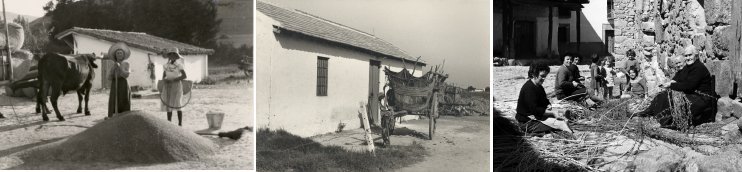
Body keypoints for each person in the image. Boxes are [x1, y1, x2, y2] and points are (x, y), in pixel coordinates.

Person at [635, 45, 718, 130]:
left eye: (690, 55)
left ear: (696, 55)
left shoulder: (699, 68)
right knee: (661, 95)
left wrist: (671, 85)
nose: (688, 58)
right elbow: (679, 78)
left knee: (669, 99)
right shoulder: (688, 67)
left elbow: (688, 86)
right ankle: (650, 112)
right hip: (691, 94)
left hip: (700, 98)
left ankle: (662, 121)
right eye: (686, 56)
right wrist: (671, 82)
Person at [516, 63, 572, 133]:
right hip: (527, 122)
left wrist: (548, 105)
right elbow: (535, 109)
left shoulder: (539, 86)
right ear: (533, 74)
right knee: (559, 124)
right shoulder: (529, 88)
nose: (544, 79)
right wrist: (552, 113)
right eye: (542, 76)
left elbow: (544, 100)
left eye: (545, 76)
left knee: (562, 119)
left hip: (537, 116)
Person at [161, 47, 188, 126]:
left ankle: (180, 124)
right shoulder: (166, 66)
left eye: (174, 54)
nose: (172, 56)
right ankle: (169, 123)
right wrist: (165, 80)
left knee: (178, 104)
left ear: (176, 56)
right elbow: (164, 75)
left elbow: (184, 76)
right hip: (168, 86)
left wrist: (174, 79)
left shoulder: (179, 65)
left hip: (176, 86)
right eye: (171, 54)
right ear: (169, 56)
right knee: (169, 104)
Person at [108, 42, 132, 117]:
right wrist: (113, 70)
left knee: (123, 100)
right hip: (115, 84)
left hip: (123, 84)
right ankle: (114, 116)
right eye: (117, 53)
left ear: (123, 55)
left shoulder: (126, 64)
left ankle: (124, 117)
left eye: (120, 53)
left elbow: (127, 75)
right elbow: (109, 77)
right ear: (115, 55)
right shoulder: (113, 65)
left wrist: (120, 68)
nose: (119, 54)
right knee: (114, 101)